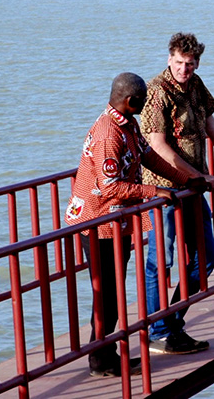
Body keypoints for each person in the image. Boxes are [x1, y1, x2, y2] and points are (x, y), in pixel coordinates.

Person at [65, 72, 197, 377]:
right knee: (106, 294)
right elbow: (110, 185)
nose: (146, 102)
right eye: (143, 99)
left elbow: (148, 155)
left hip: (117, 220)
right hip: (97, 221)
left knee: (113, 292)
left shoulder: (127, 123)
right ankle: (102, 360)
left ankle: (105, 354)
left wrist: (186, 179)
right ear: (131, 100)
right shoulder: (108, 134)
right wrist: (154, 191)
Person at [140, 32, 214, 355]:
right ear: (168, 59)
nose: (183, 70)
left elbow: (211, 125)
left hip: (193, 188)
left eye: (189, 64)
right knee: (161, 260)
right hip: (164, 190)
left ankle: (171, 322)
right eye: (178, 63)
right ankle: (159, 330)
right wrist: (199, 176)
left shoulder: (196, 85)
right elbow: (156, 145)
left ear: (197, 62)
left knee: (207, 257)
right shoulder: (157, 92)